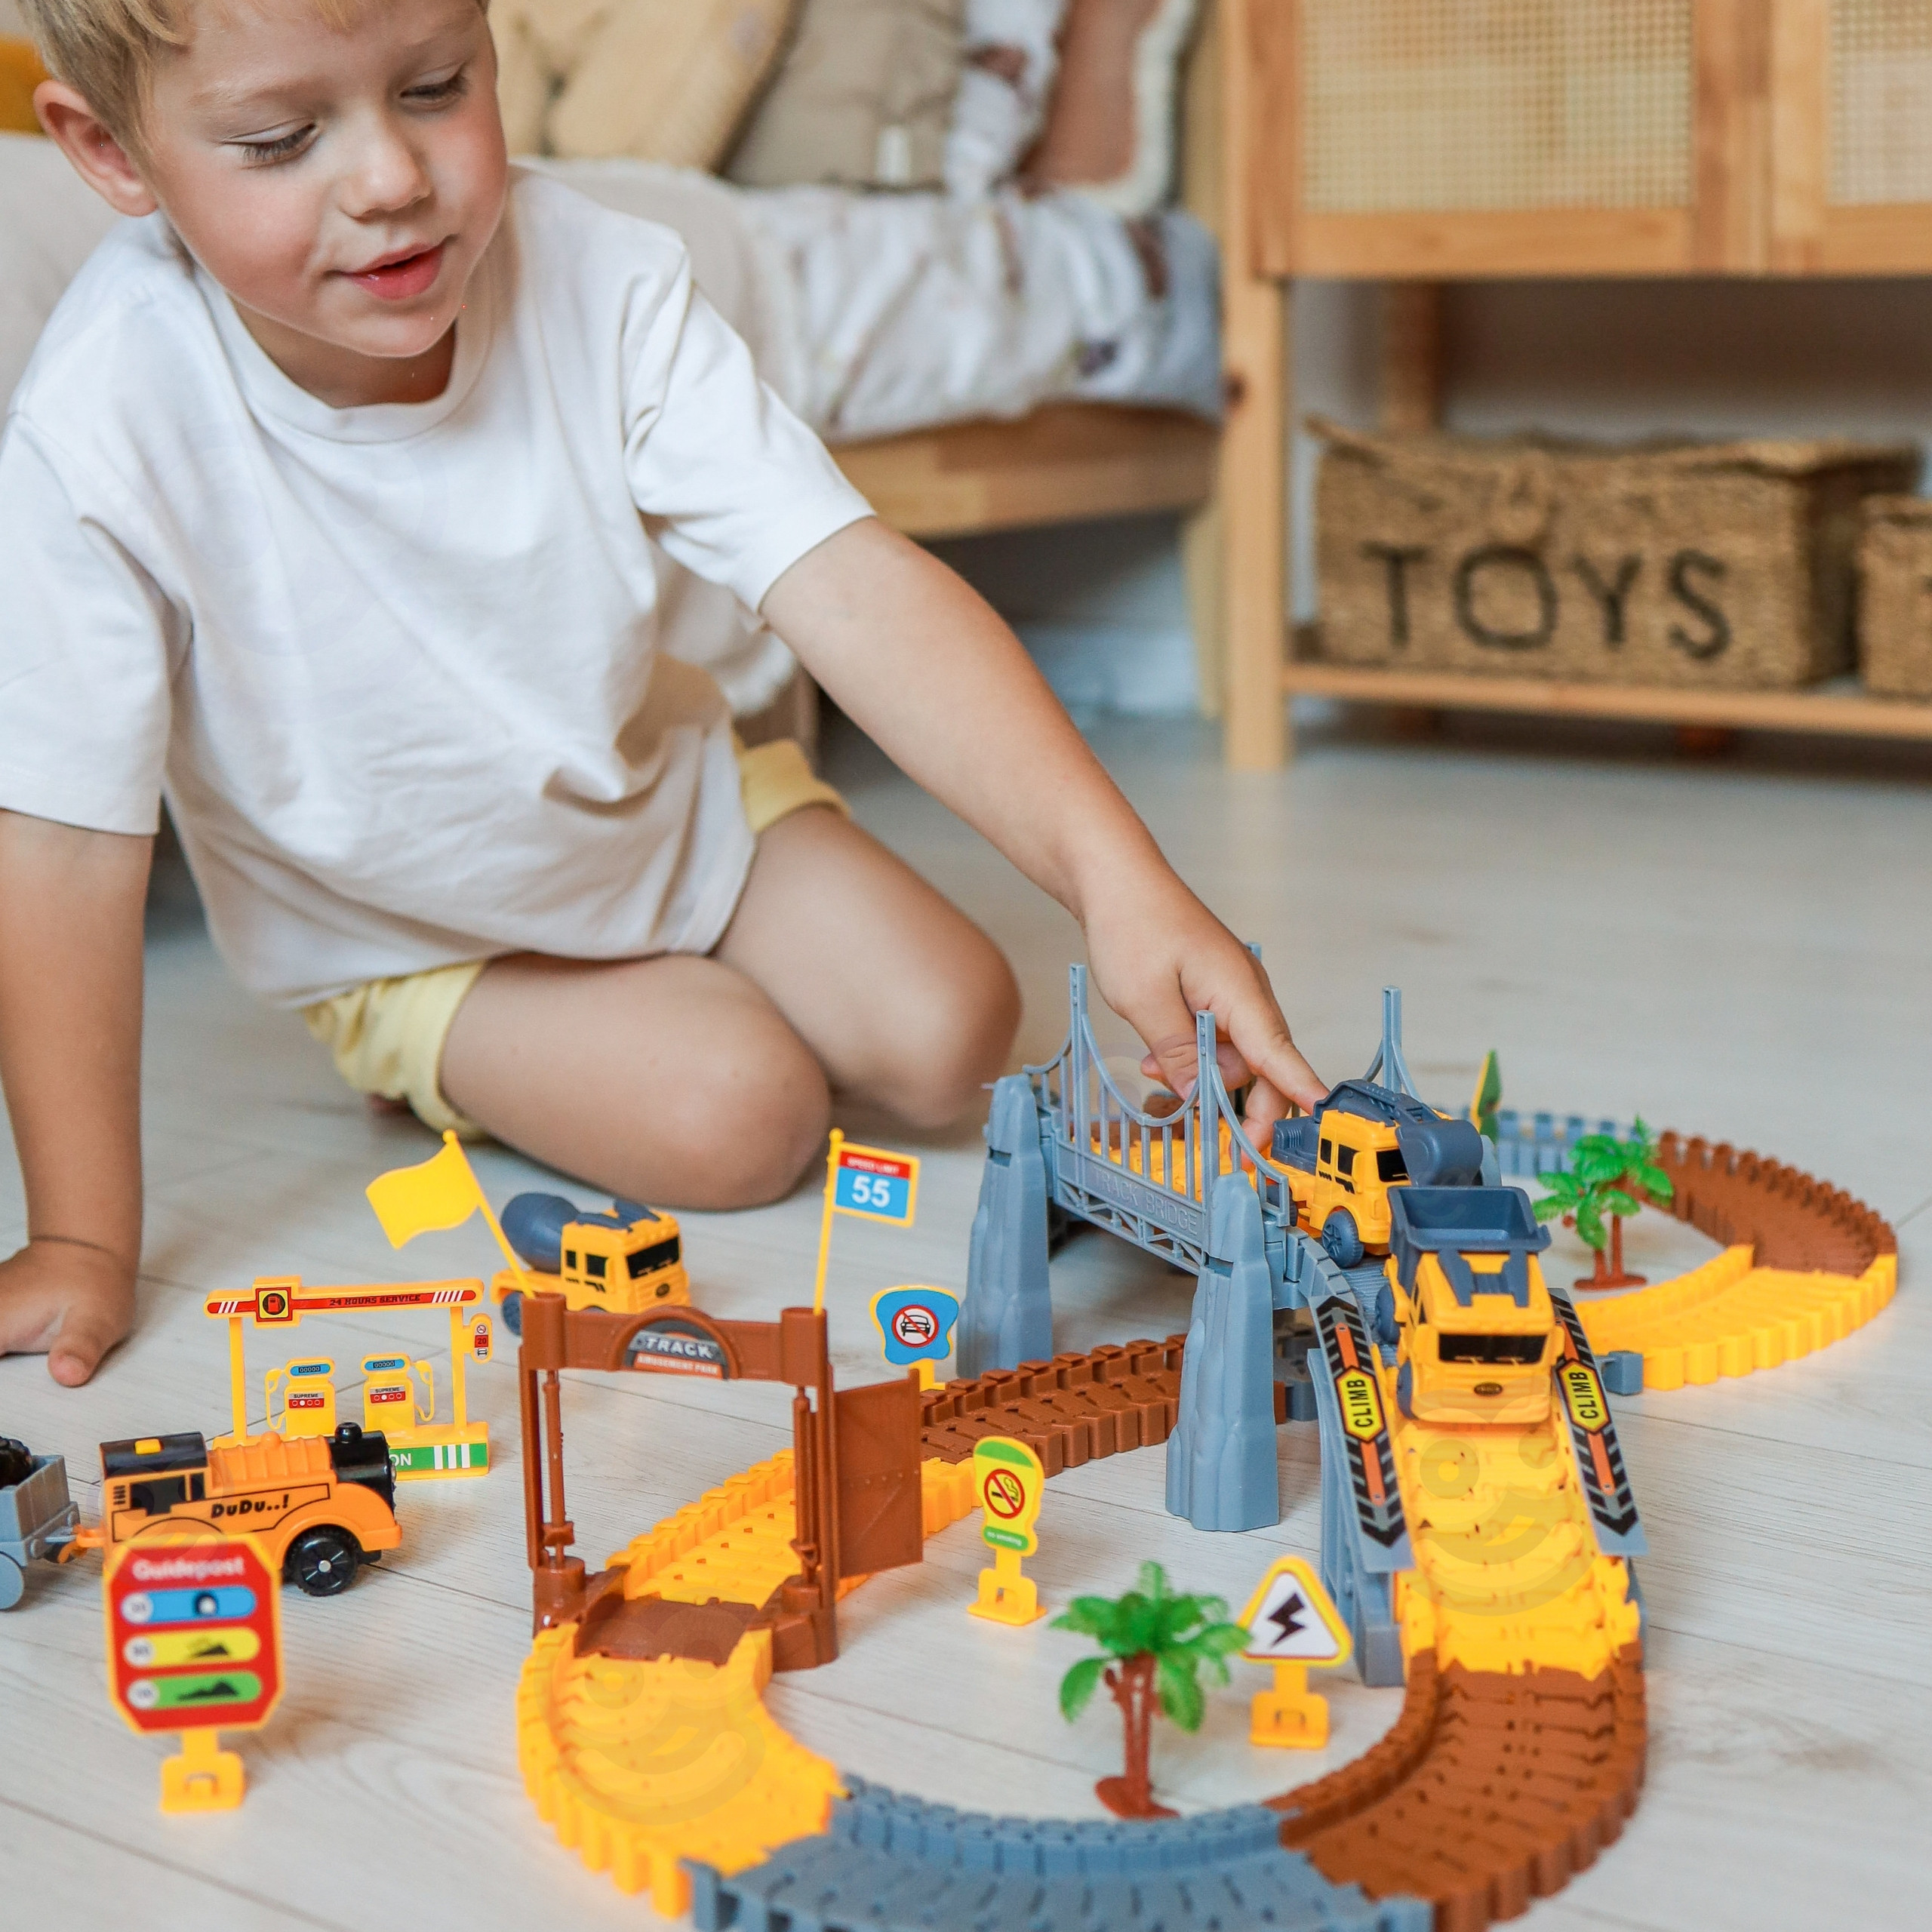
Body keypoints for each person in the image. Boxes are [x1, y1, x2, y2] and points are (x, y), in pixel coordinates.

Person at [0, 0, 1324, 1387]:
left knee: (956, 1028)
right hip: (404, 935)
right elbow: (64, 847)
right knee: (743, 1115)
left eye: (437, 85)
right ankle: (435, 1058)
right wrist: (82, 1238)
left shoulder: (602, 274)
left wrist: (1123, 881)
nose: (391, 178)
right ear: (111, 153)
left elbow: (853, 585)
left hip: (669, 809)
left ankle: (647, 992)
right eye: (281, 140)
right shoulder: (101, 418)